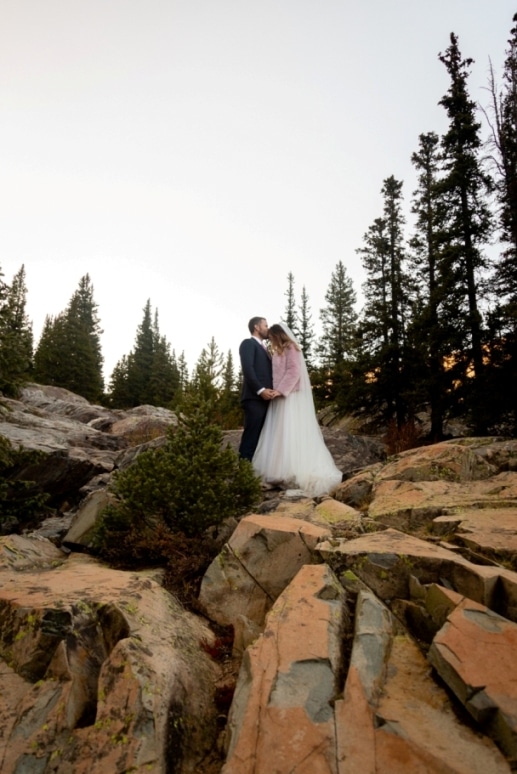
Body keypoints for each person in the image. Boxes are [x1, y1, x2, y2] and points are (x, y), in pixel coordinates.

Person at [253, 322, 342, 497]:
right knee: (278, 433)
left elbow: (294, 371)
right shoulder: (278, 350)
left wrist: (281, 390)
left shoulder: (291, 348)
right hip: (278, 396)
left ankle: (290, 471)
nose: (270, 340)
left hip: (289, 395)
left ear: (278, 335)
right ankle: (277, 472)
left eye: (272, 337)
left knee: (289, 431)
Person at [238, 316, 280, 461]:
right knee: (251, 435)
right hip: (254, 399)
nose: (268, 329)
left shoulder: (265, 349)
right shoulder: (248, 344)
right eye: (265, 326)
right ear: (256, 327)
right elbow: (248, 369)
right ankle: (243, 471)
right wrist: (261, 390)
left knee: (263, 437)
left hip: (267, 399)